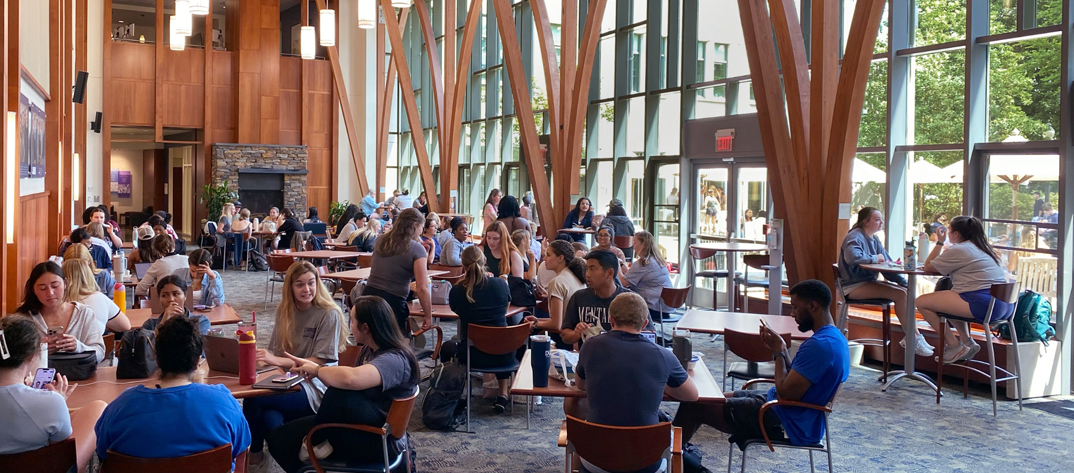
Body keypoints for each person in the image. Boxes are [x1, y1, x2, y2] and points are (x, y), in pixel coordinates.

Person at [673, 280, 849, 450]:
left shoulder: (818, 346)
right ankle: (674, 455)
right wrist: (784, 352)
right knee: (708, 397)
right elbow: (794, 379)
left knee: (694, 405)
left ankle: (666, 460)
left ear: (812, 306)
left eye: (795, 307)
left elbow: (785, 392)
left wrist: (779, 351)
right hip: (791, 411)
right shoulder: (835, 338)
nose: (793, 314)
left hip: (785, 420)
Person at [265, 296, 420, 473]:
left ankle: (315, 443)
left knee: (339, 392)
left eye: (352, 320)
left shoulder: (395, 360)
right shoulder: (371, 349)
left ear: (365, 328)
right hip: (361, 424)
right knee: (278, 439)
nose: (349, 325)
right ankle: (314, 447)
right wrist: (315, 369)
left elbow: (350, 379)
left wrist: (317, 370)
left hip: (380, 438)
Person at [95, 315, 251, 469]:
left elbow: (103, 453)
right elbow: (240, 449)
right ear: (197, 360)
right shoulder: (225, 403)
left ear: (156, 358)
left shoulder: (120, 408)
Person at [574, 293, 698, 473]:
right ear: (645, 323)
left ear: (611, 319)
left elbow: (580, 384)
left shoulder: (590, 345)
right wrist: (659, 381)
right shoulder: (663, 355)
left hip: (595, 460)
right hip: (646, 463)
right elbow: (692, 395)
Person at [244, 261, 350, 471]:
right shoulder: (285, 312)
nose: (307, 289)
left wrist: (274, 361)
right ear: (290, 287)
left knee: (254, 399)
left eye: (311, 283)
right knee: (270, 417)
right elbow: (275, 354)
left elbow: (318, 362)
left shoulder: (329, 313)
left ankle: (255, 456)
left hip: (317, 387)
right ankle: (293, 465)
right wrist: (255, 361)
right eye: (299, 284)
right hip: (286, 381)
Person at [0, 315, 107, 473]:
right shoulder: (50, 402)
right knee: (98, 408)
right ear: (32, 356)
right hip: (44, 467)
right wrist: (58, 402)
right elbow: (60, 450)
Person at [917, 216, 1014, 363]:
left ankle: (954, 345)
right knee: (948, 297)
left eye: (949, 230)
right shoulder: (984, 249)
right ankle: (967, 342)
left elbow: (928, 266)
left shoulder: (959, 249)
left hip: (984, 304)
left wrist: (939, 242)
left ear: (956, 234)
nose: (947, 234)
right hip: (1003, 306)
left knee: (921, 302)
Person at [836, 207, 926, 355]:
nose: (881, 223)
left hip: (865, 283)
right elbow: (852, 257)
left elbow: (887, 264)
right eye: (877, 220)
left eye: (881, 219)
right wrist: (875, 258)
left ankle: (914, 337)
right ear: (865, 222)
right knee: (900, 295)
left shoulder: (874, 239)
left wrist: (904, 283)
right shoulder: (855, 236)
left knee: (904, 291)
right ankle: (913, 338)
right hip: (852, 286)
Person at [449, 246, 524, 412]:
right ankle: (503, 393)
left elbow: (458, 312)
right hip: (505, 356)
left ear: (463, 265)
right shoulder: (500, 284)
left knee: (449, 346)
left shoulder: (457, 291)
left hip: (473, 356)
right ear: (484, 261)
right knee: (499, 336)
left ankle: (457, 393)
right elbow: (505, 311)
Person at [15, 262, 107, 363]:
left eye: (55, 286)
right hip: (35, 377)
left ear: (65, 284)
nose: (50, 293)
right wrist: (38, 351)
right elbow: (12, 357)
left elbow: (100, 353)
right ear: (33, 290)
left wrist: (78, 347)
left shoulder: (83, 313)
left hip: (78, 375)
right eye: (42, 288)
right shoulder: (24, 317)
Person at [362, 208, 434, 335]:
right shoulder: (416, 249)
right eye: (421, 227)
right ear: (414, 225)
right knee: (393, 346)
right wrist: (428, 316)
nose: (421, 231)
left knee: (370, 341)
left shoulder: (381, 240)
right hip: (392, 302)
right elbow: (422, 287)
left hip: (368, 297)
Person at [560, 249, 654, 347]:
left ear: (609, 273)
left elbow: (650, 335)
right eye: (587, 269)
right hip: (589, 358)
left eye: (592, 269)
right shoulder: (579, 297)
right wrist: (576, 333)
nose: (587, 274)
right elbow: (565, 336)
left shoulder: (630, 300)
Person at [525, 240, 586, 349]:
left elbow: (557, 324)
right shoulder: (576, 276)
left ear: (560, 258)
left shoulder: (557, 282)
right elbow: (562, 318)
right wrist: (538, 320)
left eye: (548, 255)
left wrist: (534, 324)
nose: (544, 258)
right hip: (577, 335)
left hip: (565, 339)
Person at [62, 258, 131, 334]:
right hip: (95, 344)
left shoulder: (56, 302)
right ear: (89, 275)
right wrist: (102, 323)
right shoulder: (99, 298)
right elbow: (126, 326)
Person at [618, 231, 673, 322]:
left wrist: (616, 264)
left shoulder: (643, 263)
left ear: (643, 244)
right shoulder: (657, 260)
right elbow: (632, 276)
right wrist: (622, 265)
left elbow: (623, 283)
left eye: (635, 242)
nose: (633, 246)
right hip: (664, 306)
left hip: (652, 308)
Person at [139, 276, 211, 334]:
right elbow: (147, 347)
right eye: (164, 296)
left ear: (185, 296)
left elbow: (199, 348)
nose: (171, 299)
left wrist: (182, 320)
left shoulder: (201, 321)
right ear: (159, 298)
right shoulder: (150, 324)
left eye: (176, 294)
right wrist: (163, 323)